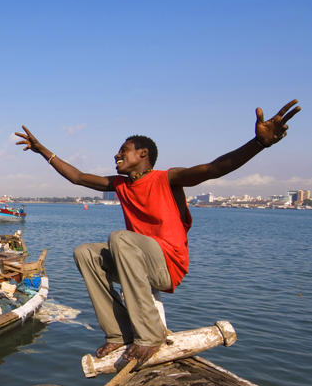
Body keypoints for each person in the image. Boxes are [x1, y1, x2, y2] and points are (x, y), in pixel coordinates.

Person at [15, 99, 300, 365]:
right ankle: (119, 333)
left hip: (167, 263)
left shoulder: (168, 178)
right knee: (85, 253)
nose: (116, 154)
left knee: (119, 238)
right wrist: (43, 151)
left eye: (123, 150)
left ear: (143, 154)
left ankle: (150, 334)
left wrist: (258, 144)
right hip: (135, 262)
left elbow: (214, 168)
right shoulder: (121, 185)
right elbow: (78, 177)